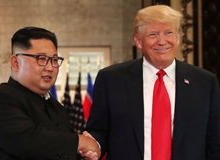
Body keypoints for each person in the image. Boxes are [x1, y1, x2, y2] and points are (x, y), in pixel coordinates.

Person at [84, 5, 220, 160]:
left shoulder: (205, 83)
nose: (162, 41)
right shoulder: (111, 79)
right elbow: (99, 132)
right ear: (138, 41)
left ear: (178, 37)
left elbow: (215, 144)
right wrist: (93, 147)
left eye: (168, 33)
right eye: (153, 34)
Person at [0, 26, 100, 160]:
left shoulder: (56, 106)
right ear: (15, 62)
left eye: (54, 60)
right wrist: (79, 142)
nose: (50, 68)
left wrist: (83, 155)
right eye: (41, 59)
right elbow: (29, 141)